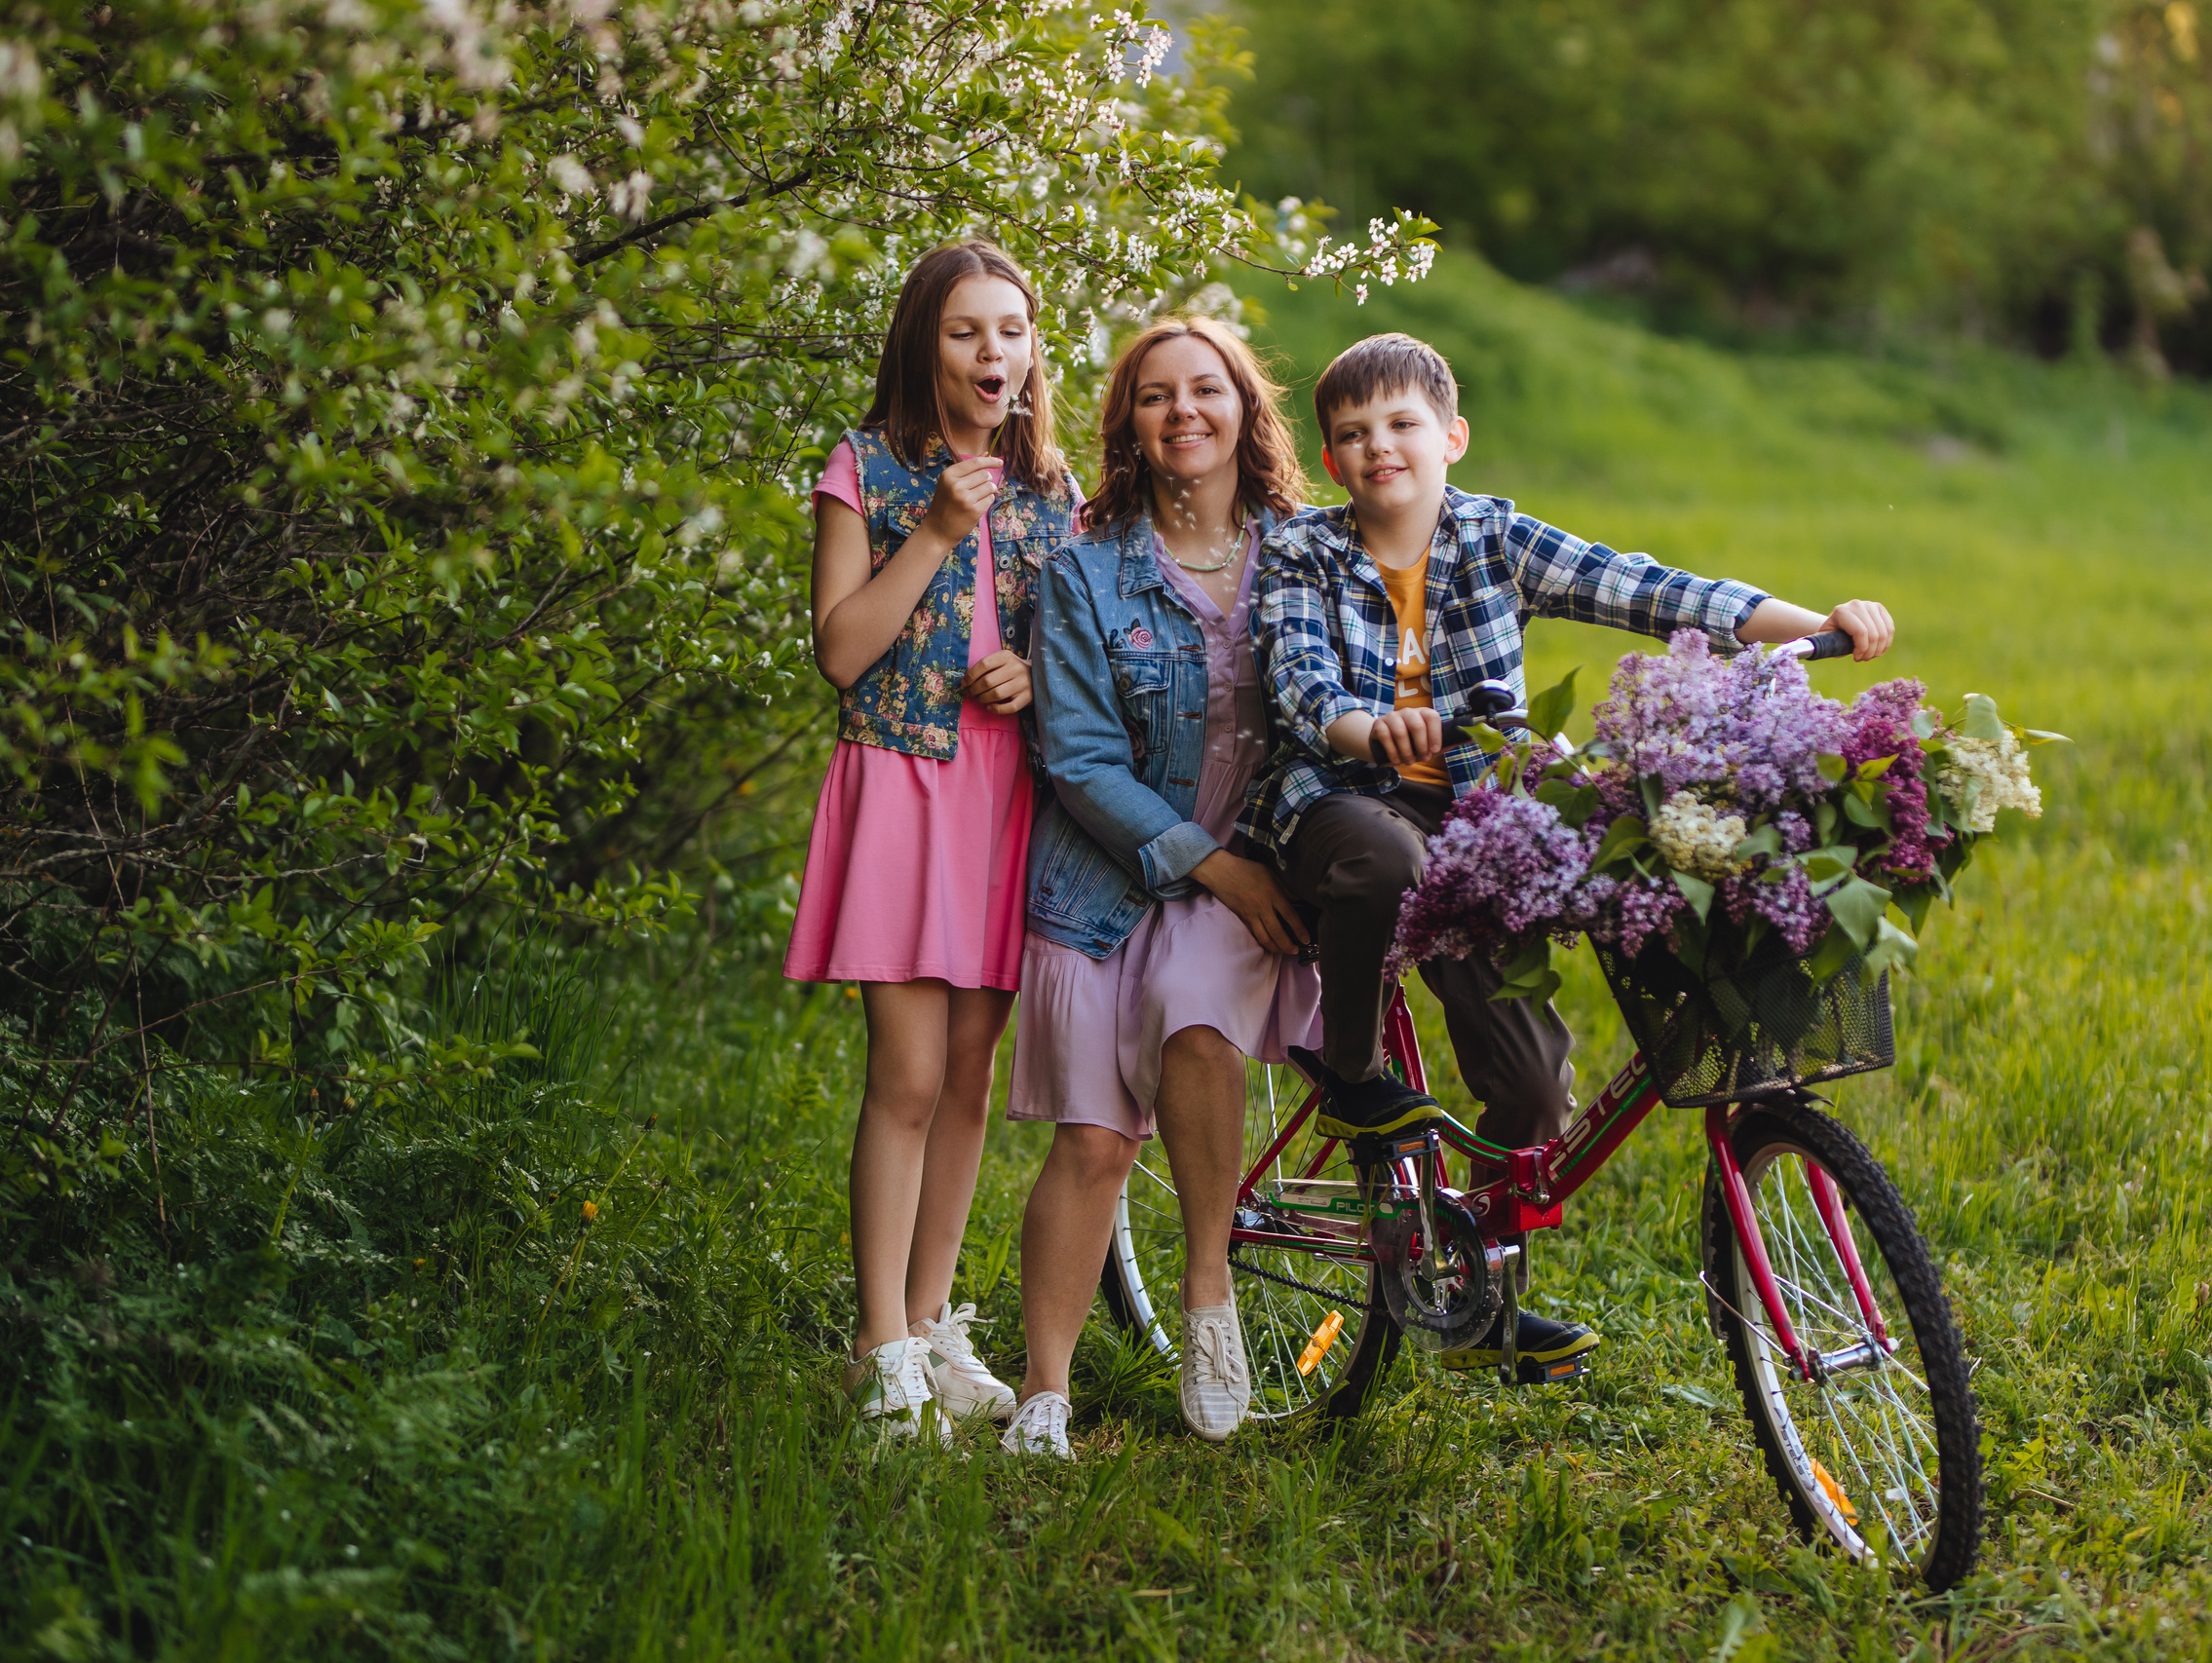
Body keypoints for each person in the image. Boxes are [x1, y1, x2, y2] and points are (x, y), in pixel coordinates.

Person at [1242, 331, 1895, 1380]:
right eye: (1353, 436)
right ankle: (1351, 1068)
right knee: (1382, 857)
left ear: (1452, 437)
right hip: (1342, 797)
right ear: (1330, 461)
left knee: (1536, 1087)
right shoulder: (1303, 552)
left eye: (1403, 425)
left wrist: (1813, 620)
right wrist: (1370, 730)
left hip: (1479, 827)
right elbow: (1300, 680)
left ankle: (1474, 1291)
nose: (1379, 448)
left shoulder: (1491, 538)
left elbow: (1647, 590)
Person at [996, 317, 1322, 1460]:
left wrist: (1242, 872)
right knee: (1090, 1142)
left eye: (1206, 390)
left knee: (1196, 1022)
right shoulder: (1085, 573)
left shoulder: (1306, 553)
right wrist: (1209, 862)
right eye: (1154, 396)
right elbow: (1077, 758)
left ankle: (1205, 1289)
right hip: (1103, 882)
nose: (1182, 412)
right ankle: (1046, 1394)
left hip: (1252, 882)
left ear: (1245, 408)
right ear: (1128, 423)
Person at [785, 242, 1079, 1441]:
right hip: (903, 783)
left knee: (967, 1077)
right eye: (965, 331)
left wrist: (1033, 679)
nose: (992, 354)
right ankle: (878, 1346)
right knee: (905, 1077)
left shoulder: (1054, 488)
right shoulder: (868, 469)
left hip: (1005, 793)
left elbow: (1079, 657)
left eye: (1010, 331)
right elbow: (842, 651)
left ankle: (934, 1317)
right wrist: (939, 531)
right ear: (924, 344)